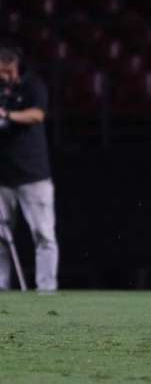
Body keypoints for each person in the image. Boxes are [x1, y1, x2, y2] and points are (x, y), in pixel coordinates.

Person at [0, 40, 59, 292]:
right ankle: (2, 288)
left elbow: (37, 114)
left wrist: (6, 115)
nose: (8, 76)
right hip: (3, 177)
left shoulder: (33, 85)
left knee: (43, 235)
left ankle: (46, 291)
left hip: (34, 176)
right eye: (3, 71)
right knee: (2, 238)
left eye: (10, 70)